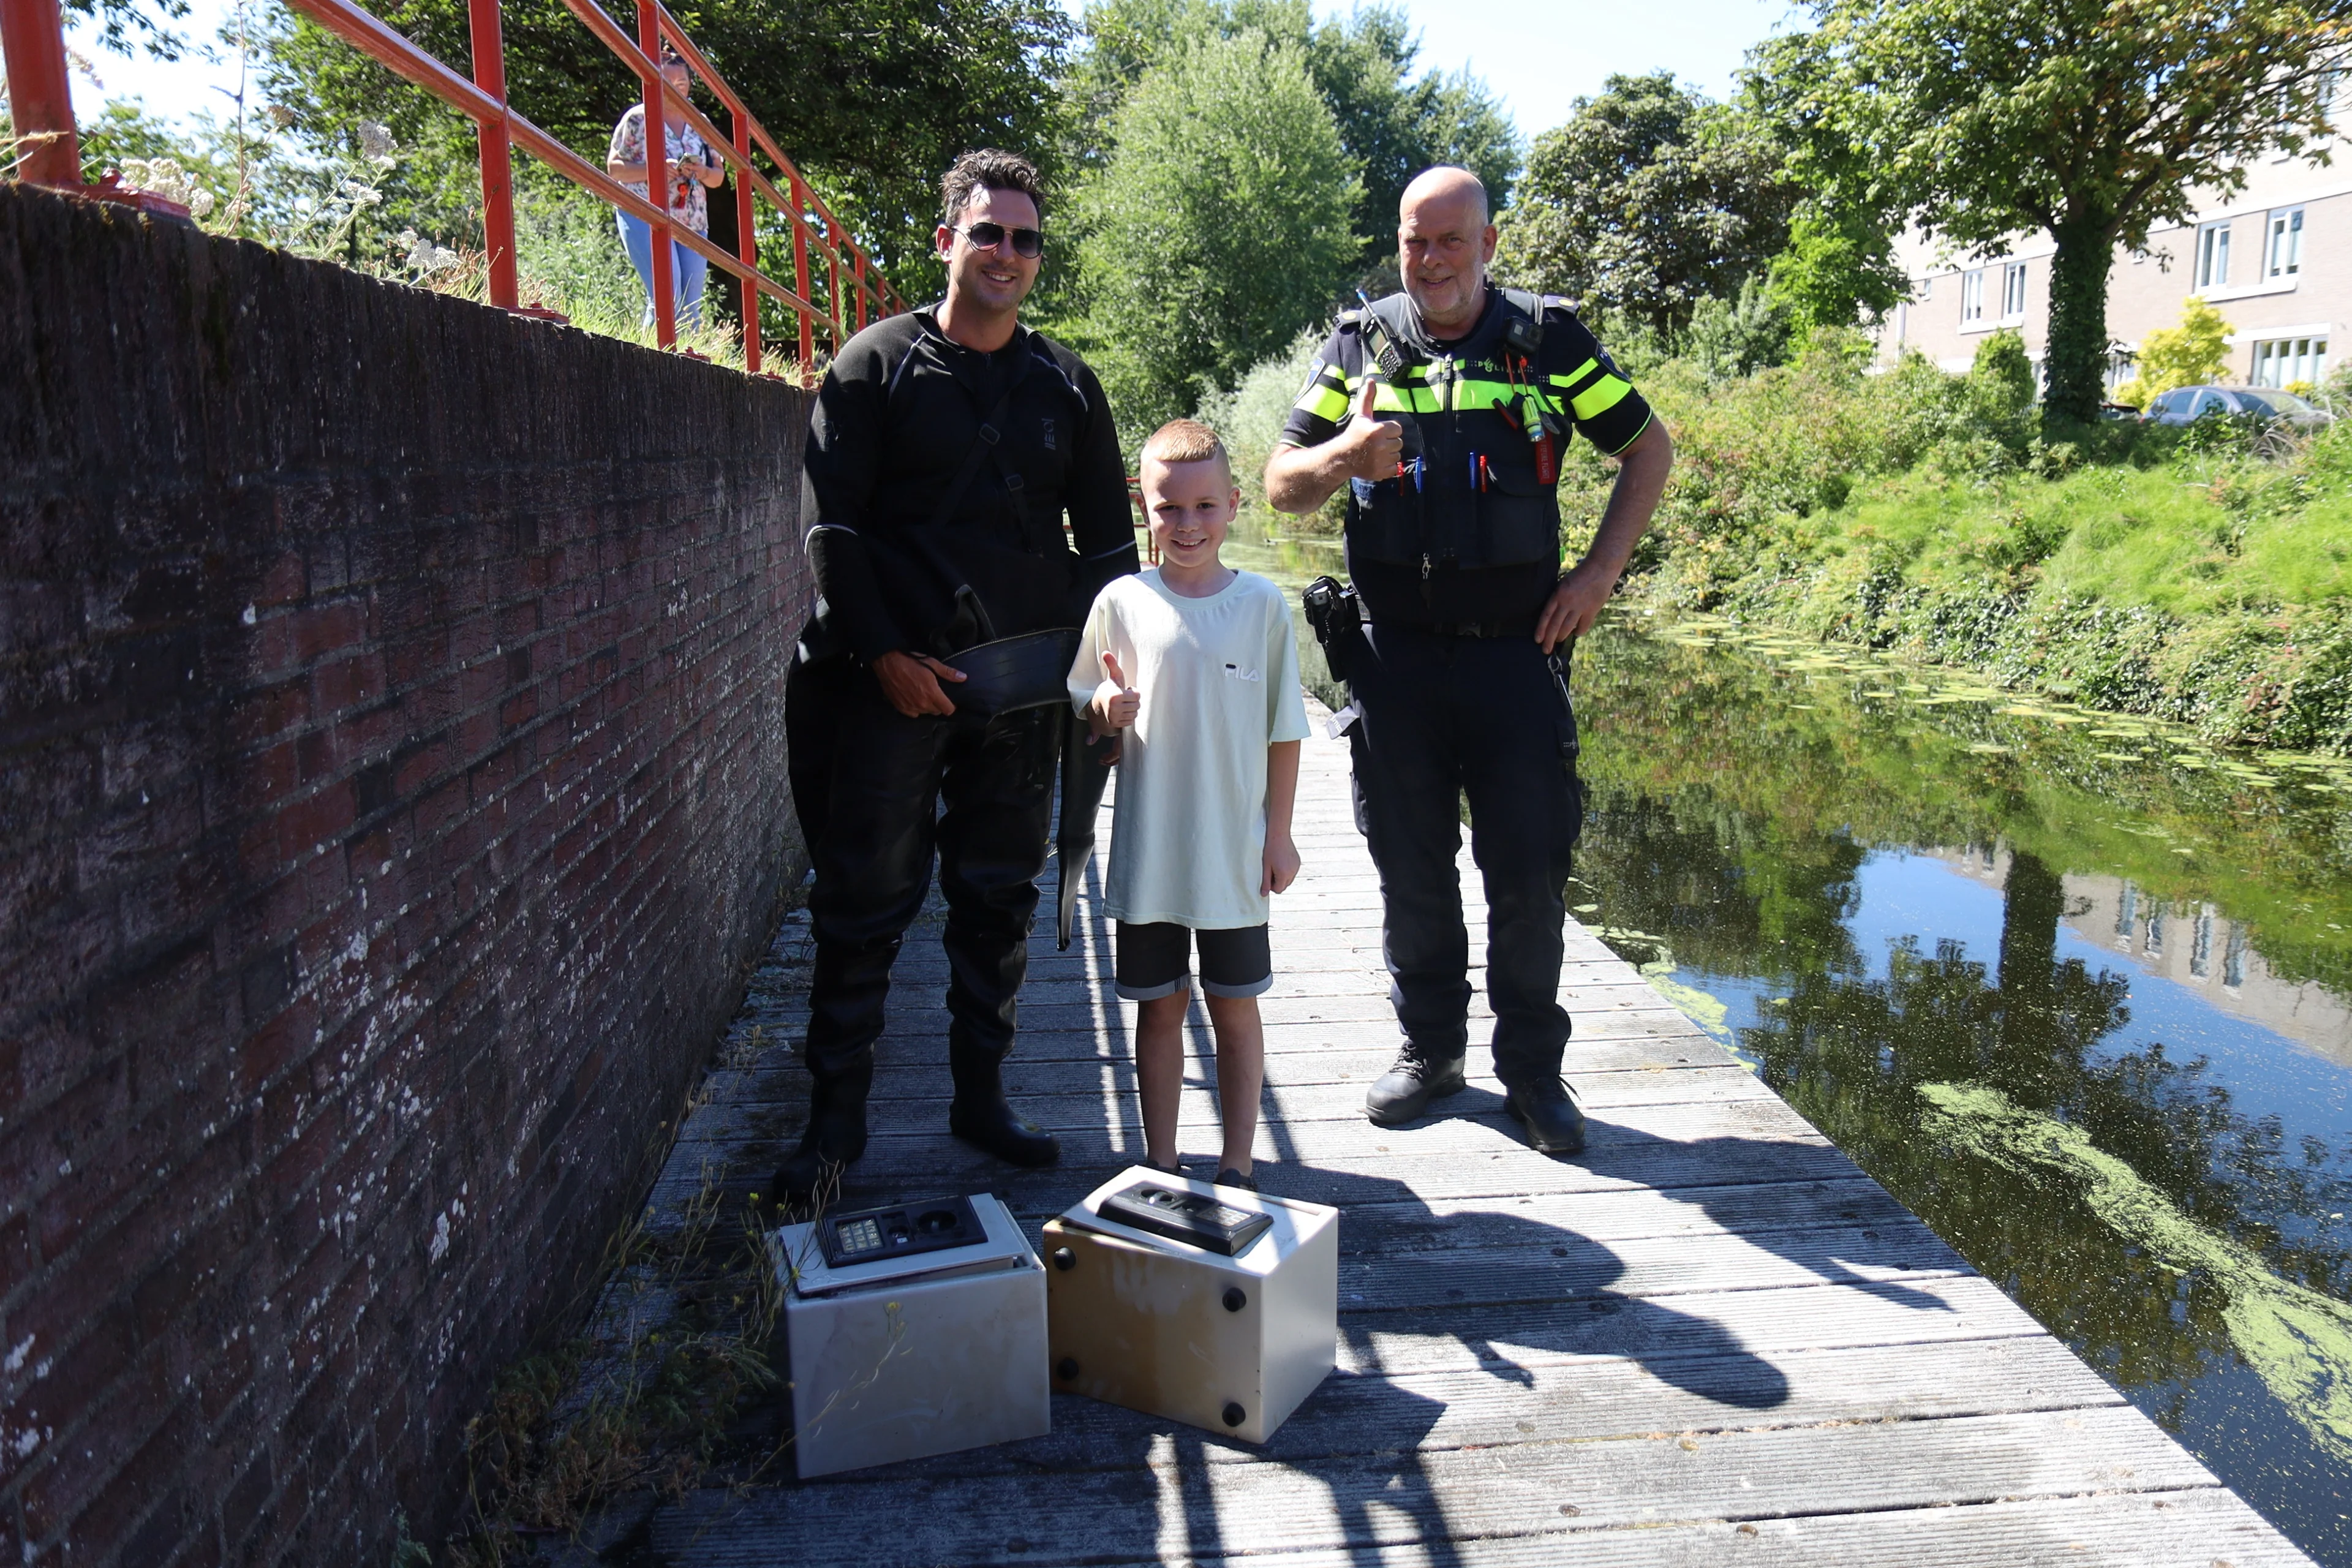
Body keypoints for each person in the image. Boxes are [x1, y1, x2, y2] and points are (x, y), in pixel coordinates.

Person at [1262, 165, 1673, 1156]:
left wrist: (1600, 575)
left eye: (1451, 240)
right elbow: (1280, 483)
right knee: (1413, 870)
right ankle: (1432, 1052)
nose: (1432, 260)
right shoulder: (1362, 343)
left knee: (1528, 874)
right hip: (1394, 661)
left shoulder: (1546, 342)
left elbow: (1647, 448)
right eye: (1415, 241)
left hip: (1517, 657)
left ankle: (1533, 1074)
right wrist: (1343, 459)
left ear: (1489, 245)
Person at [774, 149, 1141, 1207]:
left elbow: (1113, 560)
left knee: (997, 901)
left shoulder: (1068, 386)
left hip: (1020, 697)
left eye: (1025, 239)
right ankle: (833, 1127)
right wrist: (883, 655)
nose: (1008, 255)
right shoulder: (873, 365)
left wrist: (1108, 686)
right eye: (989, 233)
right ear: (948, 241)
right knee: (862, 905)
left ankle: (982, 1099)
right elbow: (830, 529)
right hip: (888, 685)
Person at [1068, 420, 1310, 1190]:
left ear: (1235, 505)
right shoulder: (1120, 601)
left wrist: (1280, 835)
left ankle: (1238, 1165)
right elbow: (1084, 693)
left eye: (1205, 506)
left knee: (1235, 1008)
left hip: (1235, 854)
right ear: (1145, 508)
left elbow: (1285, 729)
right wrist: (1107, 702)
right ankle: (1162, 1161)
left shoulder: (1263, 605)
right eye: (1169, 508)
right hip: (1150, 853)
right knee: (1159, 1008)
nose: (1187, 524)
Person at [605, 49, 723, 329]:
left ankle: (688, 368)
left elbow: (718, 177)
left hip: (693, 221)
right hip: (645, 213)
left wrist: (702, 171)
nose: (674, 89)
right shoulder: (638, 118)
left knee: (690, 306)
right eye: (666, 83)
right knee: (666, 297)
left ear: (689, 84)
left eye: (681, 83)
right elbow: (614, 168)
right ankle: (647, 365)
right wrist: (655, 169)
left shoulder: (700, 122)